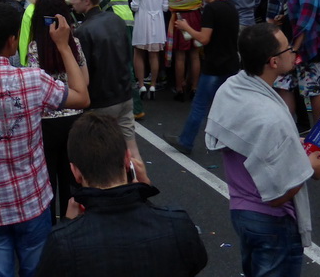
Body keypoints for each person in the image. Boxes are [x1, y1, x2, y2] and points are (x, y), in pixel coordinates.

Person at [0, 2, 89, 277]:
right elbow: (82, 96)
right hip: (33, 199)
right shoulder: (34, 80)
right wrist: (64, 45)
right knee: (37, 270)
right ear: (12, 41)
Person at [206, 23, 320, 277]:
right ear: (273, 62)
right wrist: (308, 168)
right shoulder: (272, 118)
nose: (295, 52)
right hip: (272, 221)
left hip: (242, 212)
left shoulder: (231, 88)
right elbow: (276, 194)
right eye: (289, 48)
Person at [34, 113, 208, 277]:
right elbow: (195, 262)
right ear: (127, 160)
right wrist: (145, 192)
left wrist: (68, 223)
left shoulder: (62, 243)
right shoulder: (178, 224)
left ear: (75, 172)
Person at [71, 0, 149, 184]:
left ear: (87, 0)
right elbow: (127, 54)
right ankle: (142, 187)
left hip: (101, 101)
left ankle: (111, 195)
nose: (72, 2)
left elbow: (85, 73)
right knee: (131, 150)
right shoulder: (115, 20)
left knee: (102, 158)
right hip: (123, 95)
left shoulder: (82, 31)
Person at [26, 0, 89, 222]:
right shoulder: (75, 45)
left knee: (47, 181)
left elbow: (34, 86)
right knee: (72, 180)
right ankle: (73, 225)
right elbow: (86, 82)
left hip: (46, 121)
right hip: (75, 119)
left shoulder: (34, 48)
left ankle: (49, 228)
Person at [168, 0, 240, 156]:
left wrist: (186, 28)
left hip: (214, 64)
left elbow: (204, 38)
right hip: (231, 63)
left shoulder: (211, 9)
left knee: (200, 105)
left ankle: (186, 141)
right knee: (228, 106)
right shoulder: (231, 7)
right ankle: (234, 142)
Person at [129, 0, 168, 100]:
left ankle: (141, 85)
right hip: (157, 20)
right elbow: (165, 7)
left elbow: (134, 5)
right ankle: (152, 84)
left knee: (138, 53)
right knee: (154, 54)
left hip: (142, 19)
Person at [167, 0, 203, 101]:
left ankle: (179, 89)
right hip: (195, 17)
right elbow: (200, 1)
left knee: (180, 56)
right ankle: (194, 87)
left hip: (179, 18)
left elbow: (172, 4)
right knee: (194, 55)